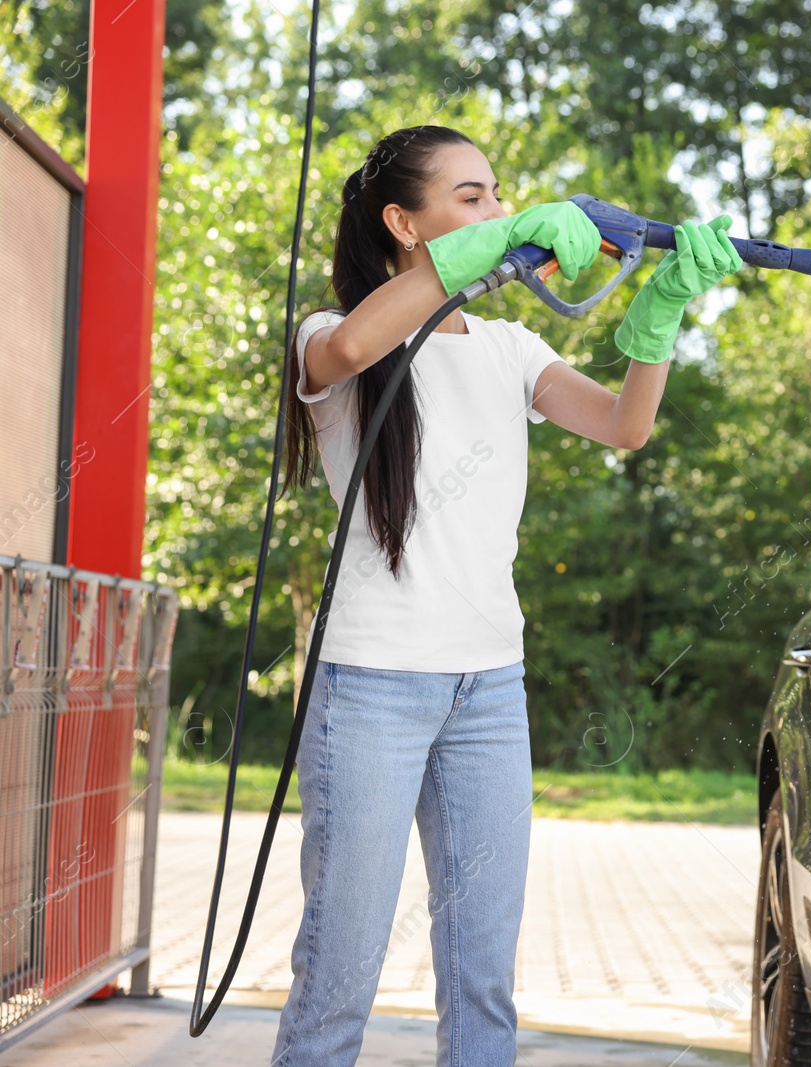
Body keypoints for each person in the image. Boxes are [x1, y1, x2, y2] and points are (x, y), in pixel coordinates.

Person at [269, 124, 743, 1067]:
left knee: (482, 973)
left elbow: (624, 425)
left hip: (488, 690)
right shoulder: (328, 337)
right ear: (406, 224)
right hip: (370, 689)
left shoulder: (509, 346)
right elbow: (362, 339)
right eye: (474, 198)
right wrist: (489, 245)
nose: (502, 214)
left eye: (500, 196)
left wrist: (662, 314)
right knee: (340, 974)